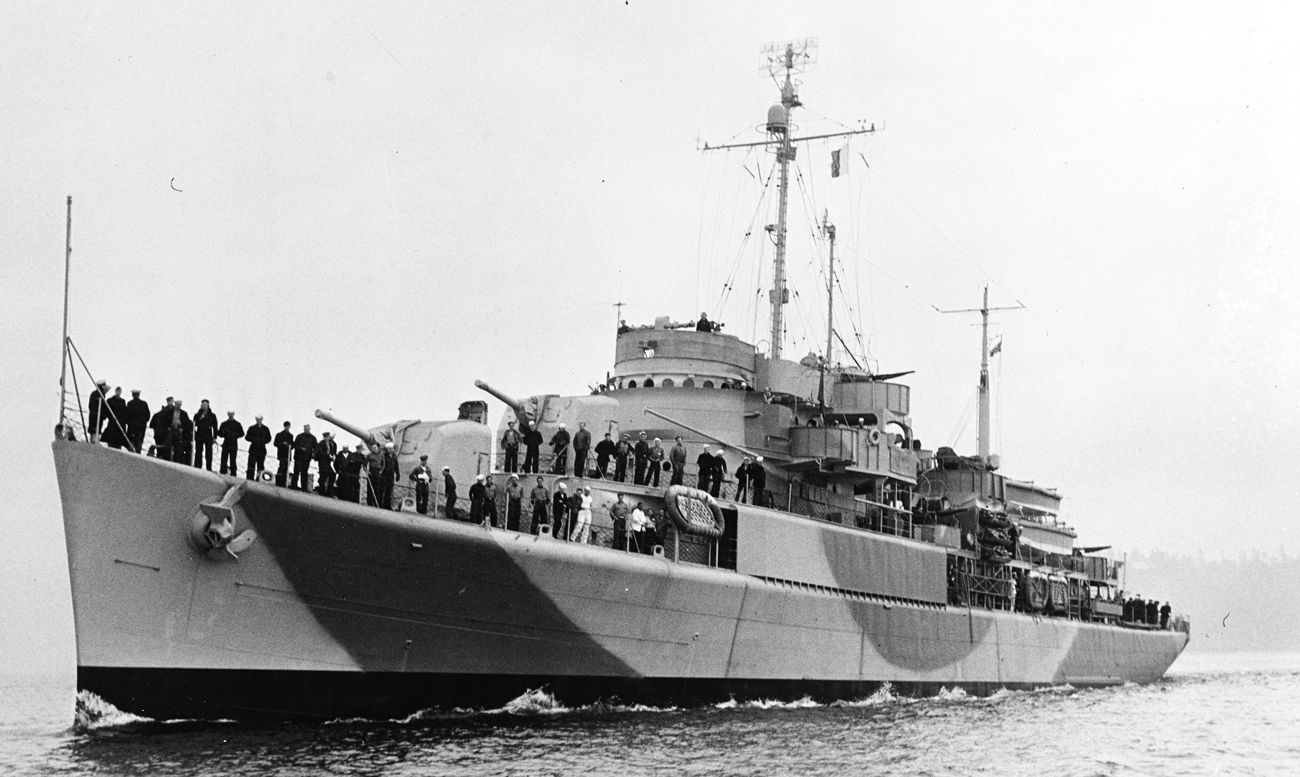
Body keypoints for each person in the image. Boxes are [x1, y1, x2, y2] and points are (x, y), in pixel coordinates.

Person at [216, 410, 243, 475]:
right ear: (228, 414)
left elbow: (242, 433)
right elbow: (219, 433)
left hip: (233, 444)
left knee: (233, 460)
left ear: (233, 414)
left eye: (232, 414)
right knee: (224, 459)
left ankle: (233, 473)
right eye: (229, 414)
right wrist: (224, 434)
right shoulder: (224, 424)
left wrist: (234, 435)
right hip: (226, 443)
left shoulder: (237, 424)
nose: (231, 415)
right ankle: (222, 472)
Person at [244, 415, 271, 480]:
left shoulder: (265, 429)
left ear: (262, 419)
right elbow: (247, 437)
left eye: (260, 419)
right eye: (257, 419)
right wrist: (254, 439)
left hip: (262, 450)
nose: (259, 421)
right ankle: (250, 478)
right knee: (251, 465)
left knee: (260, 466)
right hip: (253, 449)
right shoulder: (252, 428)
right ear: (256, 420)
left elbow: (269, 438)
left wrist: (262, 441)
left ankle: (260, 479)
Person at [193, 401, 219, 469]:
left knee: (209, 452)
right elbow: (194, 424)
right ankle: (197, 466)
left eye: (206, 405)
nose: (204, 406)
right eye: (203, 405)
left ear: (208, 406)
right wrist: (200, 418)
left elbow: (215, 426)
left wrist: (214, 437)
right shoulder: (197, 415)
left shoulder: (212, 415)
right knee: (198, 451)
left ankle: (209, 467)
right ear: (201, 405)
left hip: (208, 435)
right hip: (199, 434)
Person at [291, 424, 317, 490]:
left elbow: (316, 447)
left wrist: (314, 454)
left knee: (304, 473)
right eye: (305, 429)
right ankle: (293, 486)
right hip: (298, 457)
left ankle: (304, 488)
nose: (306, 430)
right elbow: (295, 445)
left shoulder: (313, 438)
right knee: (296, 472)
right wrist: (301, 448)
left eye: (307, 429)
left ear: (309, 429)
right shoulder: (299, 436)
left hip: (307, 458)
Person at [170, 399, 193, 464]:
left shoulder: (184, 413)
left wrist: (183, 428)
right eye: (177, 404)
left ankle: (176, 460)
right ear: (175, 404)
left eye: (179, 405)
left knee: (178, 446)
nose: (178, 406)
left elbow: (186, 423)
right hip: (172, 429)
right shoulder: (170, 411)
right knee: (169, 444)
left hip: (179, 430)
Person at [273, 422, 294, 487]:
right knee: (282, 467)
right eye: (286, 426)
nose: (287, 427)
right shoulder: (279, 435)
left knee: (286, 468)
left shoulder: (291, 436)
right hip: (281, 454)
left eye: (288, 426)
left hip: (288, 454)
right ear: (284, 426)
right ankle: (278, 482)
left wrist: (289, 446)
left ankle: (284, 483)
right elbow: (275, 443)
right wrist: (282, 444)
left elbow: (292, 446)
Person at [381, 442, 399, 508]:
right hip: (384, 475)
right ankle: (380, 504)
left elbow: (396, 466)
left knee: (389, 490)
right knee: (382, 489)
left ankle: (387, 505)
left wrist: (398, 474)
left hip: (391, 475)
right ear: (387, 449)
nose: (390, 450)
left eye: (391, 448)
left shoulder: (394, 456)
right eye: (389, 449)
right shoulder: (384, 456)